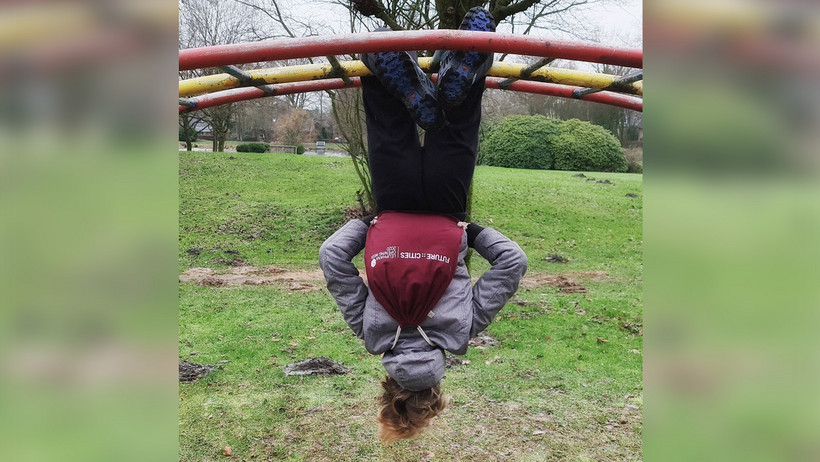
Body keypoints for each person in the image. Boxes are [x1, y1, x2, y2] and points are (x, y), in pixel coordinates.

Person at [319, 7, 527, 443]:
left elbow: (512, 262)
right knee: (388, 128)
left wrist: (469, 233)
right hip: (393, 206)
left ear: (437, 386)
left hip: (445, 209)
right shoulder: (372, 333)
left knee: (458, 128)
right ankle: (389, 70)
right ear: (388, 387)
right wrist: (367, 226)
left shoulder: (461, 332)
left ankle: (460, 79)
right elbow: (332, 257)